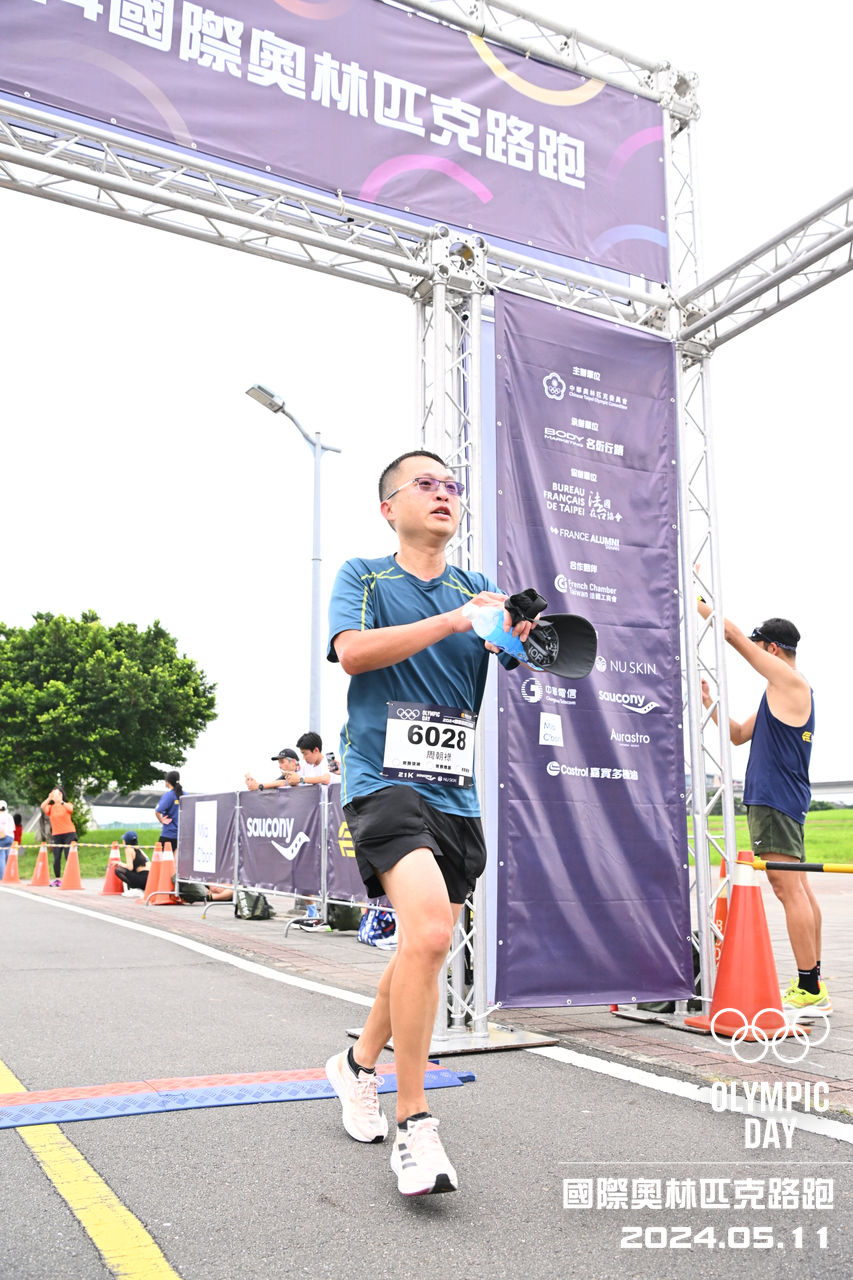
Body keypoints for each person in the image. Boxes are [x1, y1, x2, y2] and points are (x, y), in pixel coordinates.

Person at [323, 449, 534, 1197]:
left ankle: (355, 1065)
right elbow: (353, 655)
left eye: (451, 486)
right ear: (389, 508)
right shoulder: (364, 577)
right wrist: (453, 620)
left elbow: (522, 659)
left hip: (454, 794)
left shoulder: (479, 588)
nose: (444, 494)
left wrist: (521, 633)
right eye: (426, 484)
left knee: (421, 943)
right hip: (382, 779)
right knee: (434, 936)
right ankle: (413, 1124)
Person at [698, 602, 827, 1013]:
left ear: (772, 648)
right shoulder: (781, 691)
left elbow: (731, 634)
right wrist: (709, 702)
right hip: (780, 799)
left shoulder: (790, 682)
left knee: (787, 888)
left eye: (759, 648)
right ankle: (813, 982)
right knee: (798, 888)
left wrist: (695, 598)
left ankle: (808, 987)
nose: (754, 653)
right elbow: (738, 735)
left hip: (775, 800)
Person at [40, 787, 77, 885]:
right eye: (52, 793)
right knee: (56, 857)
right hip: (56, 835)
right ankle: (57, 879)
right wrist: (49, 798)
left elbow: (71, 809)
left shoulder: (66, 804)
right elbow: (43, 806)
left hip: (69, 833)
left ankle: (71, 878)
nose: (54, 795)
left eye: (55, 793)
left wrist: (61, 801)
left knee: (68, 855)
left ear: (61, 794)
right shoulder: (51, 808)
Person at [155, 770, 182, 852]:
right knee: (177, 859)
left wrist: (162, 821)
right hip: (182, 835)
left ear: (167, 781)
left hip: (168, 835)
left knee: (160, 858)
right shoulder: (185, 794)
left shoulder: (168, 795)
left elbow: (157, 811)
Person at [0, 801, 14, 878]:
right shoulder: (9, 816)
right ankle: (9, 875)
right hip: (10, 837)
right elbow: (13, 828)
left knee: (1, 856)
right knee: (8, 857)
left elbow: (1, 832)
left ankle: (2, 877)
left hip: (3, 838)